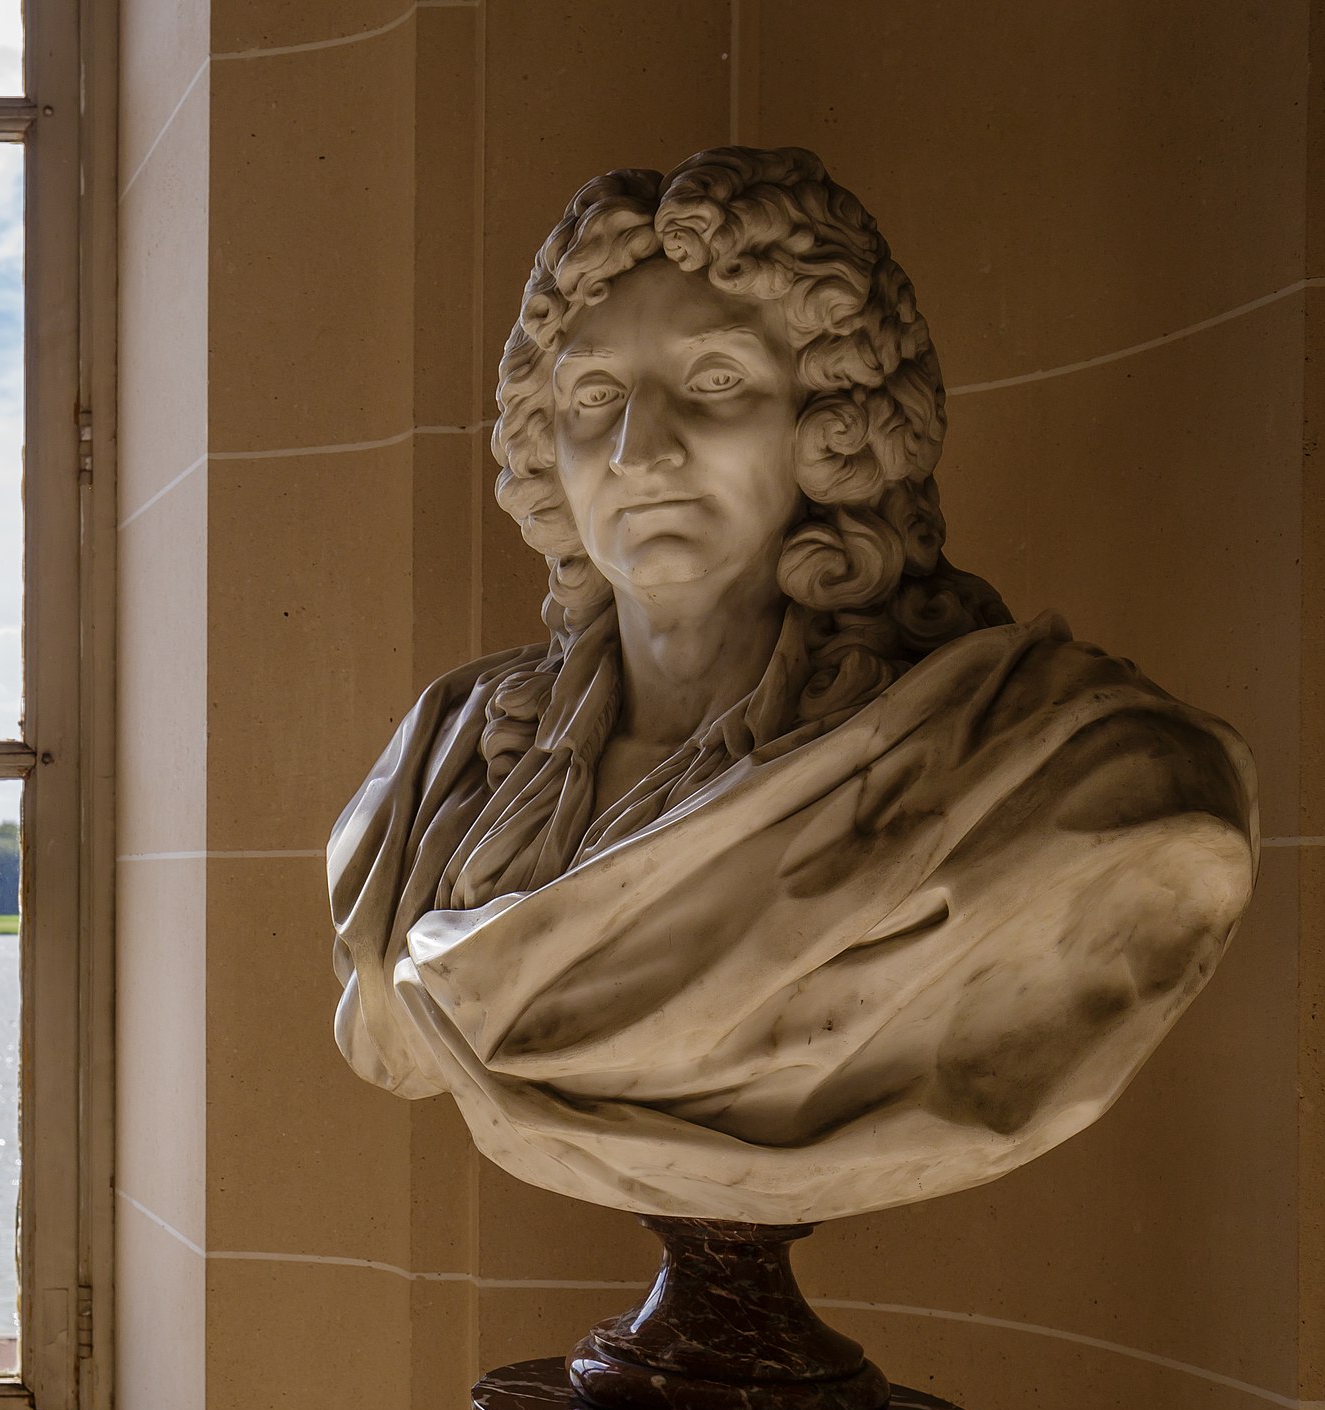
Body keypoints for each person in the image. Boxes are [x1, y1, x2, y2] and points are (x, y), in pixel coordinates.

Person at [328, 147, 1255, 1225]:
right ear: (546, 441)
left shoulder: (1053, 774)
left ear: (832, 424)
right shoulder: (437, 771)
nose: (640, 450)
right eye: (593, 394)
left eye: (715, 382)